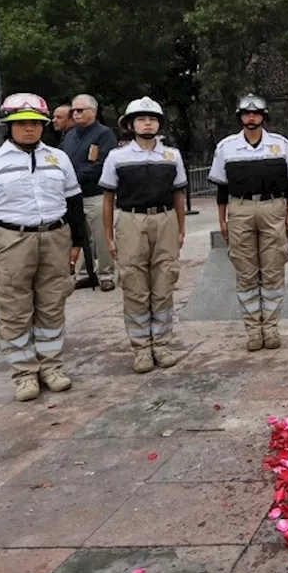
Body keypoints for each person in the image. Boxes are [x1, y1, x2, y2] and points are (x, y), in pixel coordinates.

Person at [0, 93, 86, 402]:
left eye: (35, 123)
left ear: (44, 126)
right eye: (21, 123)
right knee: (14, 308)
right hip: (12, 240)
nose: (29, 128)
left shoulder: (58, 159)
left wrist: (77, 243)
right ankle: (24, 373)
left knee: (52, 304)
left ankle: (51, 367)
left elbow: (74, 203)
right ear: (9, 126)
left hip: (55, 237)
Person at [100, 96, 188, 374]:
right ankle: (141, 348)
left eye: (152, 118)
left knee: (164, 282)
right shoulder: (117, 157)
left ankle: (162, 344)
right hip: (130, 220)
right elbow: (107, 198)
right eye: (141, 118)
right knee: (134, 284)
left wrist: (181, 228)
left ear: (159, 123)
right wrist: (109, 236)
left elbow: (178, 195)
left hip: (165, 220)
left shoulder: (171, 155)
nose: (147, 123)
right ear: (131, 125)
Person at [208, 94, 288, 351]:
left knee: (272, 268)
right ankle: (253, 330)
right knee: (246, 270)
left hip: (273, 207)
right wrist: (222, 220)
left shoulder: (280, 145)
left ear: (263, 117)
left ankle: (270, 328)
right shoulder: (226, 147)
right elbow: (221, 189)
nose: (251, 118)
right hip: (240, 208)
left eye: (256, 114)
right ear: (240, 117)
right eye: (247, 114)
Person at [62, 93, 118, 291]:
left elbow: (101, 163)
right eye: (73, 111)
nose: (75, 114)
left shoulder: (104, 134)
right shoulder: (69, 135)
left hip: (95, 193)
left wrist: (75, 178)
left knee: (101, 235)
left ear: (93, 112)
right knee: (80, 235)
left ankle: (106, 274)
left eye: (80, 110)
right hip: (74, 196)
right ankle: (87, 273)